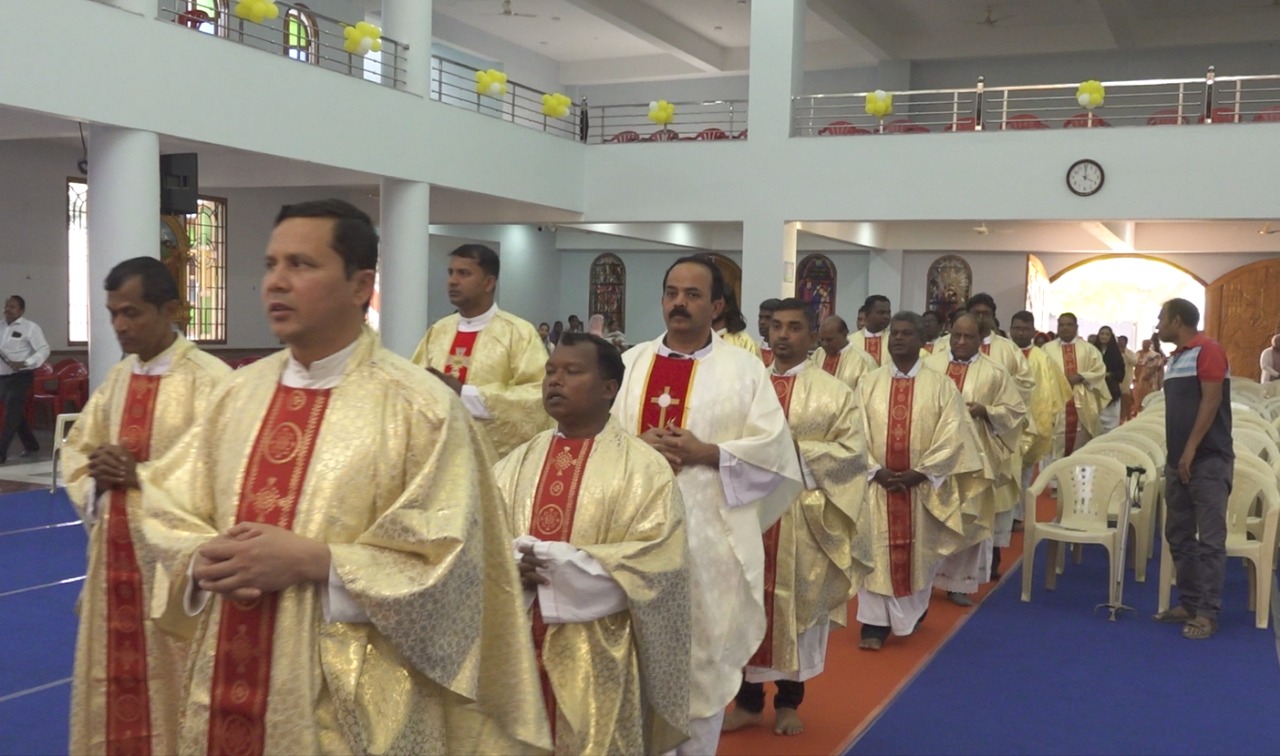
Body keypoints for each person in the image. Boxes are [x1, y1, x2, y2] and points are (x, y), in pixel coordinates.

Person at [141, 200, 550, 754]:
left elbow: (459, 568)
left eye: (301, 265)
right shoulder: (236, 394)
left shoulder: (420, 408)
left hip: (353, 704)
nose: (276, 282)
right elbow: (168, 505)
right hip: (224, 676)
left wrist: (319, 563)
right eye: (271, 264)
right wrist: (200, 558)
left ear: (361, 285)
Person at [612, 254, 802, 755]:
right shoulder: (629, 365)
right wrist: (636, 447)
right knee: (633, 657)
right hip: (631, 540)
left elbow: (775, 451)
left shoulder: (744, 370)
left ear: (716, 306)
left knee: (702, 654)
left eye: (693, 294)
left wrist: (708, 452)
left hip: (709, 544)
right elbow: (597, 442)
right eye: (672, 292)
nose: (679, 303)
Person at [63, 257, 231, 755]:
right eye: (113, 313)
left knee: (178, 688)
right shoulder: (118, 379)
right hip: (112, 566)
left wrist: (142, 476)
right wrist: (96, 476)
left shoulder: (212, 382)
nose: (119, 325)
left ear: (170, 309)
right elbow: (78, 451)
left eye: (132, 312)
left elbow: (226, 477)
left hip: (175, 577)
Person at [494, 333, 691, 754]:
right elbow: (483, 539)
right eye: (551, 371)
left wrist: (558, 564)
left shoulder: (644, 468)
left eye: (572, 371)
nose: (555, 381)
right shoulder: (515, 462)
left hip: (600, 652)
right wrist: (509, 563)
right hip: (518, 650)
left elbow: (659, 559)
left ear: (608, 388)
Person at [723, 299, 868, 737]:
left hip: (804, 519)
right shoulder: (748, 386)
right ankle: (748, 703)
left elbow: (852, 454)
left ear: (812, 336)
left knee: (797, 612)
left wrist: (790, 457)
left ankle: (788, 703)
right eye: (776, 327)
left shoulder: (834, 392)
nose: (783, 335)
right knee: (744, 607)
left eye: (794, 327)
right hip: (749, 515)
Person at [854, 312, 984, 650]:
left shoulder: (941, 385)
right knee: (874, 552)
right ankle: (873, 625)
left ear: (921, 341)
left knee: (920, 553)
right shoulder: (868, 383)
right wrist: (874, 469)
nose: (898, 338)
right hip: (876, 486)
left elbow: (953, 433)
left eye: (907, 333)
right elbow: (854, 432)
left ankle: (910, 613)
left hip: (923, 487)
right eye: (894, 333)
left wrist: (922, 472)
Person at [411, 243, 553, 458]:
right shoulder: (438, 331)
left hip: (492, 463)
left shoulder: (518, 333)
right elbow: (414, 386)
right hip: (438, 457)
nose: (452, 281)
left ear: (489, 283)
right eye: (450, 272)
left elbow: (537, 396)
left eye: (464, 273)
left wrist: (466, 395)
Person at [924, 314, 1024, 605]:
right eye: (956, 335)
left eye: (968, 337)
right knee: (932, 518)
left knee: (969, 519)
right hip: (934, 456)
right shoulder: (931, 366)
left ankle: (958, 583)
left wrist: (987, 411)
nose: (961, 342)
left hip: (974, 459)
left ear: (981, 339)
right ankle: (925, 580)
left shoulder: (995, 372)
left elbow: (1015, 411)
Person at [1152, 298, 1233, 640]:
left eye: (1162, 318)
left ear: (1178, 321)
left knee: (1210, 541)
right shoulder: (1174, 359)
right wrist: (1177, 456)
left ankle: (1207, 614)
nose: (1158, 324)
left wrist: (1190, 450)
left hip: (1208, 460)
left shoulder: (1207, 350)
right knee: (1178, 534)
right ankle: (1189, 602)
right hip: (1178, 461)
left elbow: (1211, 402)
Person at [1008, 311, 1071, 524]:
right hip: (1000, 422)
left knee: (1024, 474)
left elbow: (1054, 393)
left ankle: (1018, 517)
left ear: (1033, 331)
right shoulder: (1000, 353)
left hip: (1030, 423)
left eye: (1025, 329)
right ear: (1010, 329)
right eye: (1017, 328)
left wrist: (1046, 420)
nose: (1020, 333)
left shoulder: (1043, 359)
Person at [1042, 313, 1109, 458]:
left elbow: (1099, 370)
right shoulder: (1047, 349)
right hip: (1056, 403)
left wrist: (1081, 376)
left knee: (1081, 450)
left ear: (1076, 327)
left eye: (1069, 324)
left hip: (1082, 404)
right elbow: (1041, 374)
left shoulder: (1089, 349)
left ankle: (1080, 471)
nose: (1065, 328)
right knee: (1054, 448)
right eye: (1061, 325)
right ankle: (1055, 472)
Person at [0, 295, 49, 463]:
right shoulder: (0, 326)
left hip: (21, 377)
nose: (7, 309)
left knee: (10, 414)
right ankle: (31, 444)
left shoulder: (30, 328)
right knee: (15, 413)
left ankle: (1, 453)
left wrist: (25, 363)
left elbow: (44, 349)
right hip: (2, 377)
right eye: (6, 306)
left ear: (21, 310)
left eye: (12, 306)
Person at [812, 314, 877, 391]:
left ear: (844, 334)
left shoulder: (863, 361)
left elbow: (869, 392)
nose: (824, 344)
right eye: (821, 340)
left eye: (829, 340)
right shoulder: (818, 354)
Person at [714, 286, 763, 358]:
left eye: (717, 303)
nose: (713, 306)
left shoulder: (744, 341)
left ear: (728, 306)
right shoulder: (700, 339)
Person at [1095, 325, 1126, 434]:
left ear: (1111, 337)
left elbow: (1121, 372)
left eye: (1107, 334)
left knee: (1111, 424)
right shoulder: (1092, 350)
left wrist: (1109, 374)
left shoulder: (1116, 353)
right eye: (1102, 334)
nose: (1104, 336)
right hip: (1095, 391)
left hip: (1111, 391)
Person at [850, 295, 893, 366]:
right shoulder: (851, 341)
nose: (886, 317)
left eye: (888, 313)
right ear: (867, 314)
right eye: (881, 313)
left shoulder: (893, 339)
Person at [758, 297, 783, 367]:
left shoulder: (785, 351)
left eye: (768, 318)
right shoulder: (752, 348)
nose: (762, 322)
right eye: (760, 317)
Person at [1118, 334, 1138, 420]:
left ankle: (1128, 417)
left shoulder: (1130, 353)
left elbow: (1135, 362)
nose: (1120, 343)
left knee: (1126, 398)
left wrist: (1124, 353)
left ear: (1125, 342)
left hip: (1126, 378)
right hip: (1116, 379)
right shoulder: (1114, 351)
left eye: (1122, 341)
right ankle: (1120, 418)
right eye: (1119, 341)